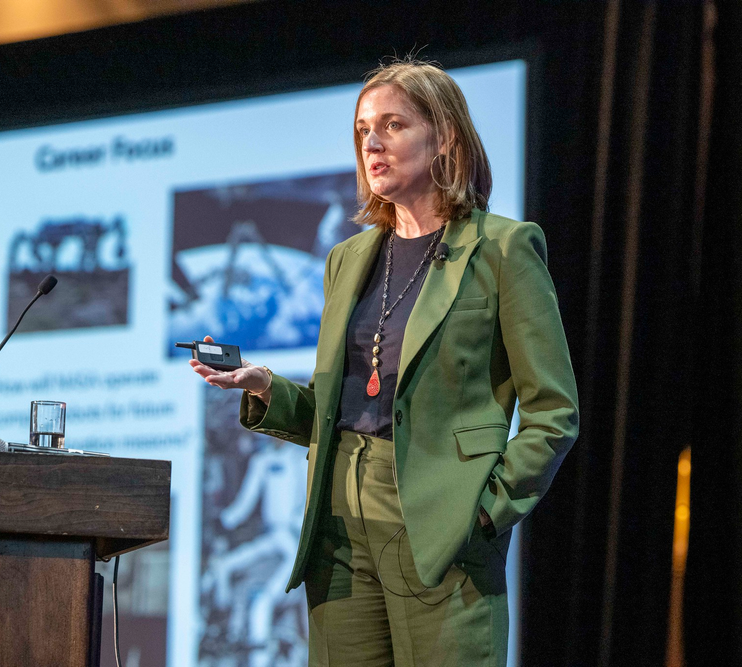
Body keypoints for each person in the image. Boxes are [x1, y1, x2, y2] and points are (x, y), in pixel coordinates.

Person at [189, 58, 579, 667]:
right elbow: (346, 407)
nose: (372, 142)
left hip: (440, 520)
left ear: (444, 134)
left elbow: (554, 409)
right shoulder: (348, 258)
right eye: (363, 129)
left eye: (393, 125)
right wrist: (268, 389)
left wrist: (484, 511)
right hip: (340, 524)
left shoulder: (503, 247)